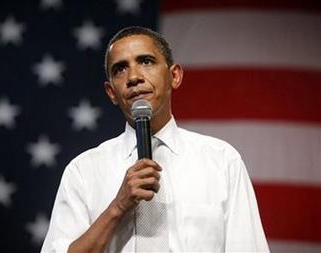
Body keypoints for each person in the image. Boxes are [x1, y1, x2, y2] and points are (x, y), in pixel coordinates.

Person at [41, 26, 270, 253]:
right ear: (111, 93)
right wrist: (118, 206)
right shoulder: (83, 171)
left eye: (146, 61)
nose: (133, 77)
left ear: (174, 76)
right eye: (120, 69)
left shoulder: (222, 161)